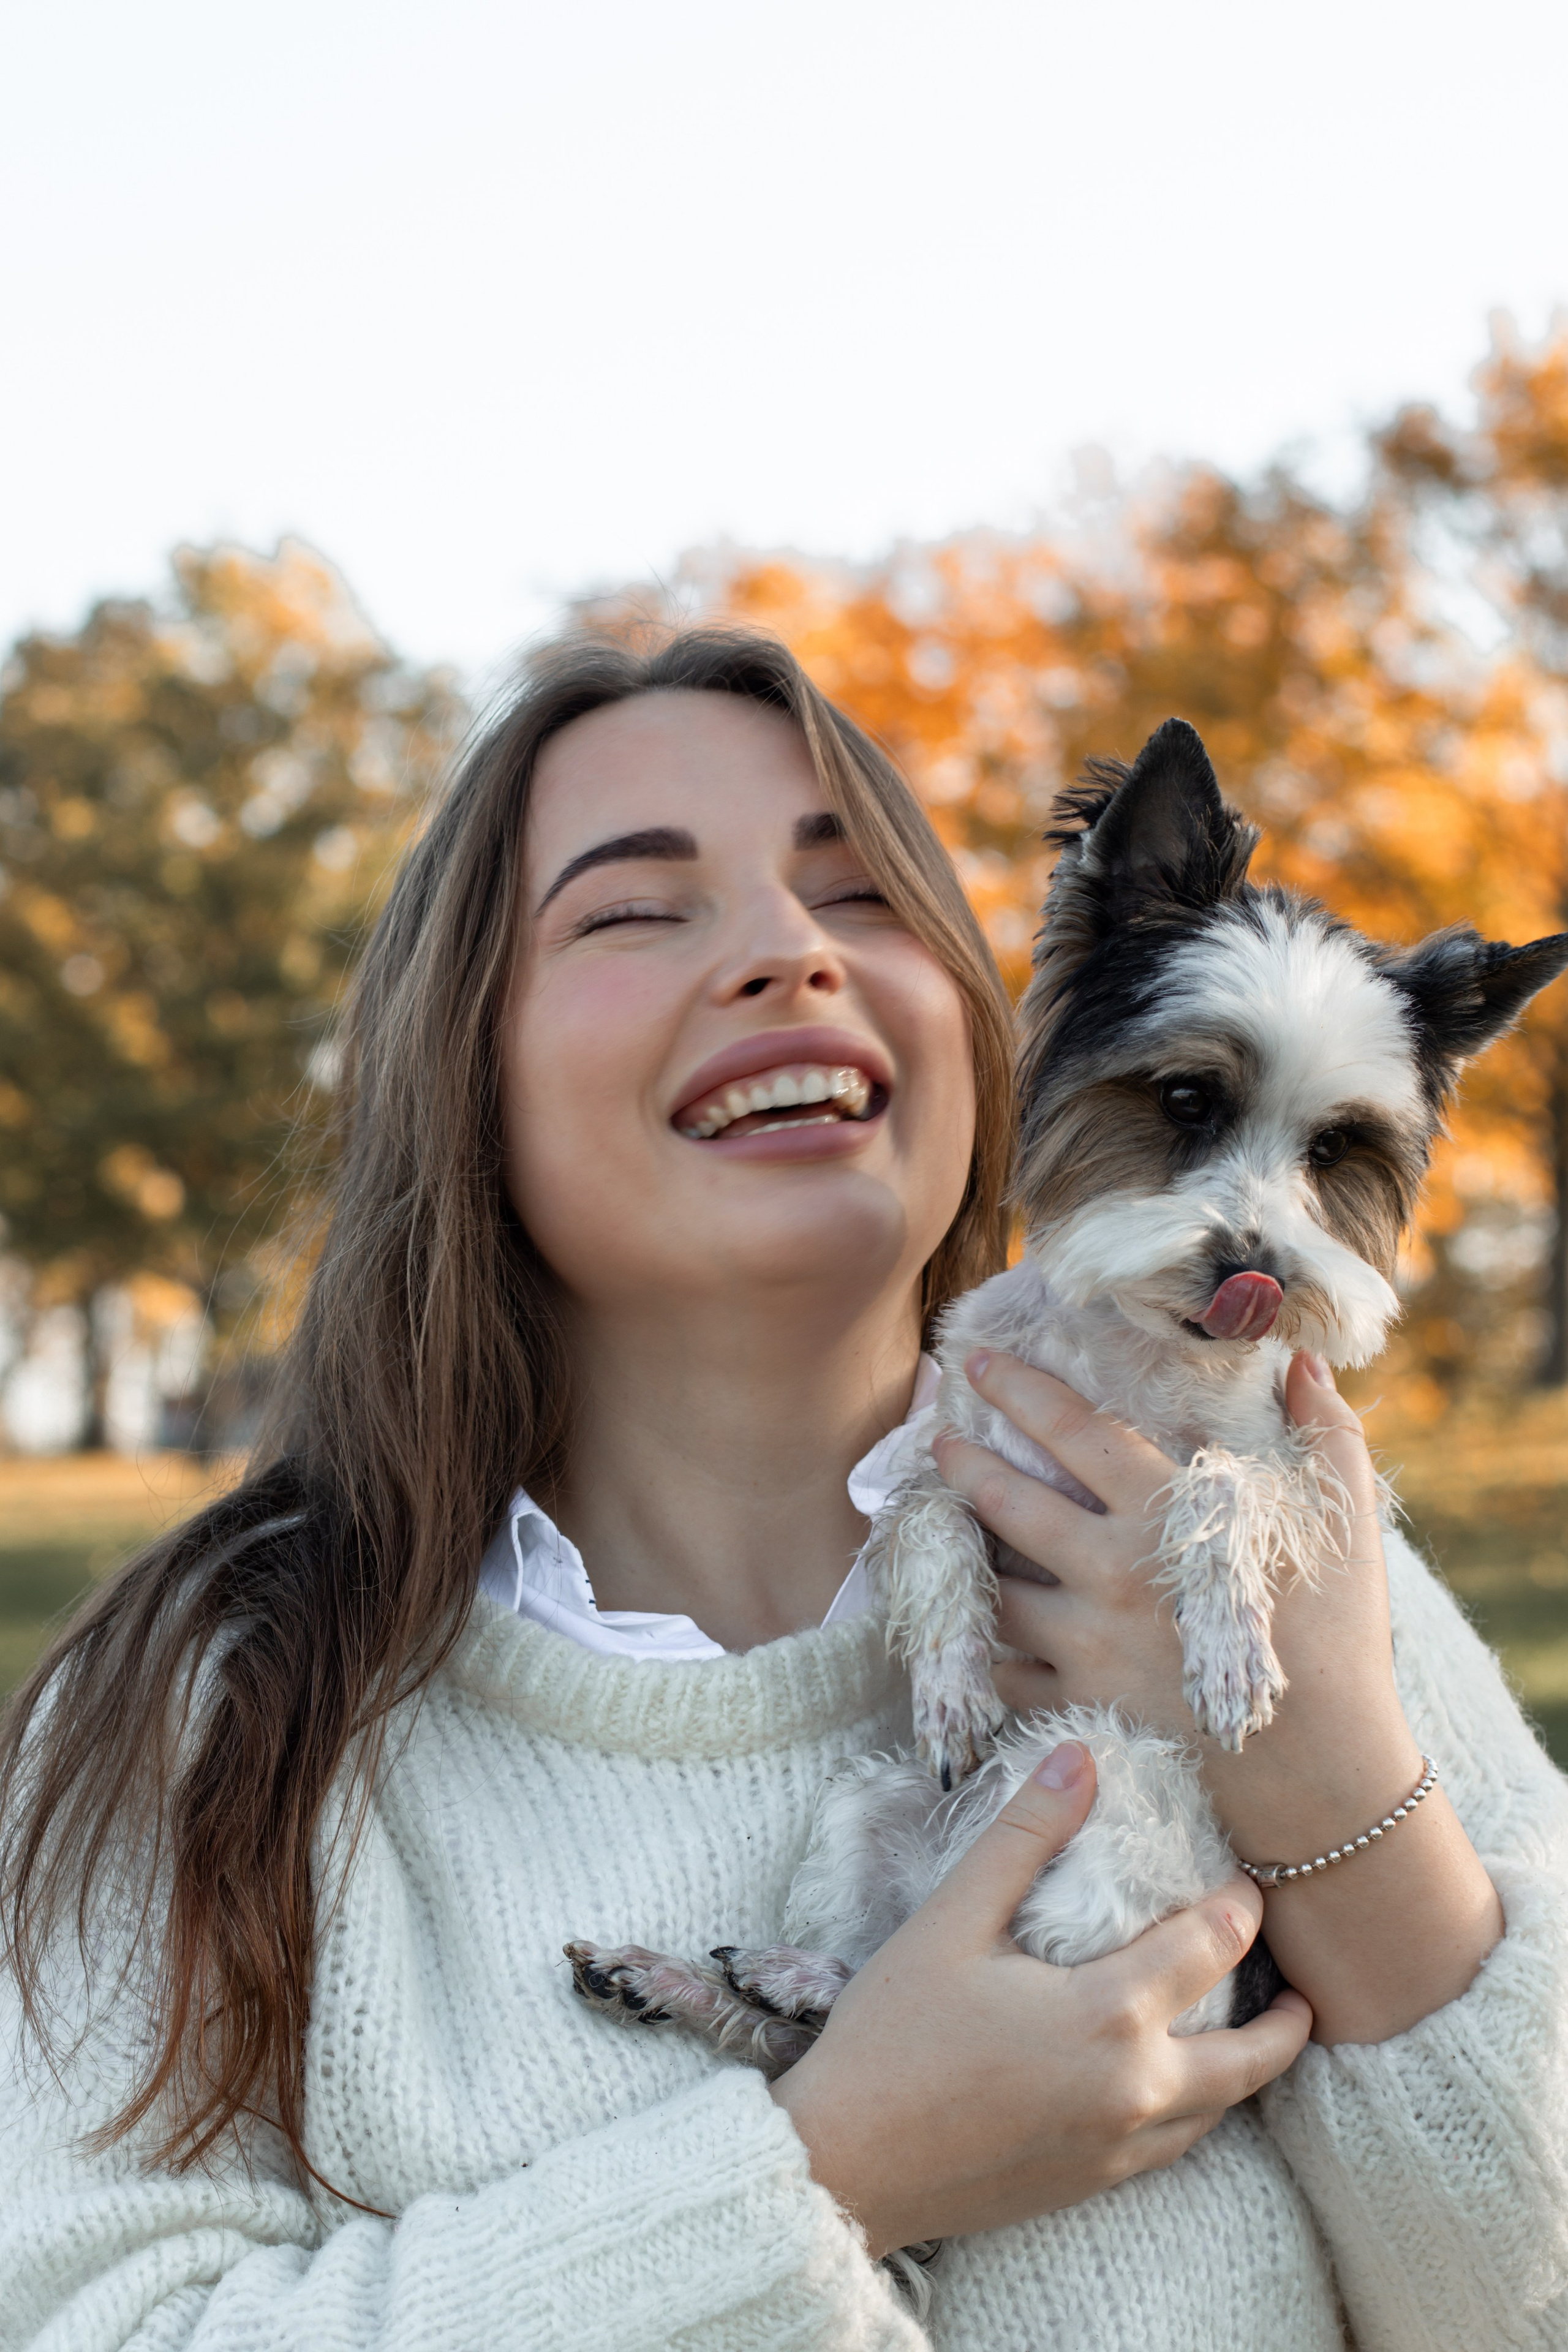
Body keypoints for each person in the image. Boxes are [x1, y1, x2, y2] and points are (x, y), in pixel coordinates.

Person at [2, 628, 1564, 2352]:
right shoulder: (212, 1711)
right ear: (463, 1064)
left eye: (859, 894)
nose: (788, 951)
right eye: (634, 909)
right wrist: (833, 2171)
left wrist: (1332, 1792)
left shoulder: (1305, 1581)